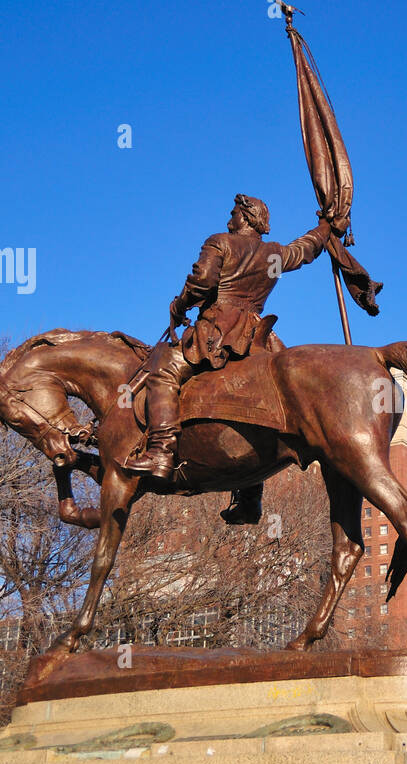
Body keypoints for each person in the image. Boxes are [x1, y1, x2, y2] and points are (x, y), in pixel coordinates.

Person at [123, 194, 332, 525]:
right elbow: (304, 250)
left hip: (217, 332)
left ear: (247, 218)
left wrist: (181, 304)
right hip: (256, 339)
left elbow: (203, 279)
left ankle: (161, 451)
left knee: (162, 372)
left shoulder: (220, 242)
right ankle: (249, 496)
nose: (229, 219)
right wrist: (325, 228)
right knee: (259, 410)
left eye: (234, 213)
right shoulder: (275, 253)